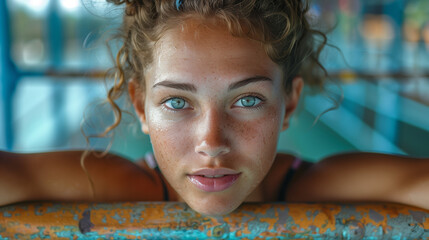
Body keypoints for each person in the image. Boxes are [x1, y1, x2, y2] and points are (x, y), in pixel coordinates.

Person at [0, 0, 428, 217]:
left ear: (290, 101)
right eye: (177, 102)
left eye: (247, 100)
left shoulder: (311, 186)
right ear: (140, 106)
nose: (212, 143)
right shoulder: (128, 186)